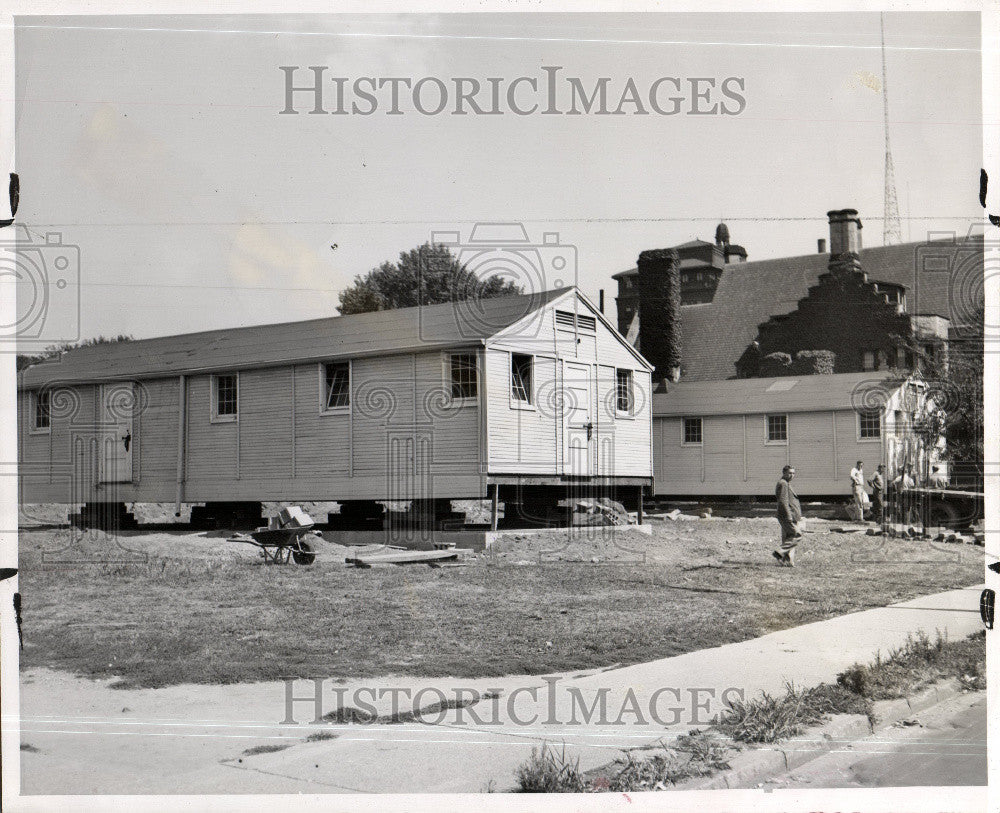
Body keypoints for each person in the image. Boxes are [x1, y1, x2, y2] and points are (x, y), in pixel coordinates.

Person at [773, 465, 803, 567]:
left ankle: (787, 561)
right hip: (787, 516)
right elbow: (783, 501)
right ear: (784, 473)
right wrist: (788, 516)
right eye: (789, 473)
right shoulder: (783, 484)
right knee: (797, 535)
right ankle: (780, 552)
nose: (792, 475)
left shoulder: (786, 483)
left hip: (790, 515)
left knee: (788, 538)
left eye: (793, 473)